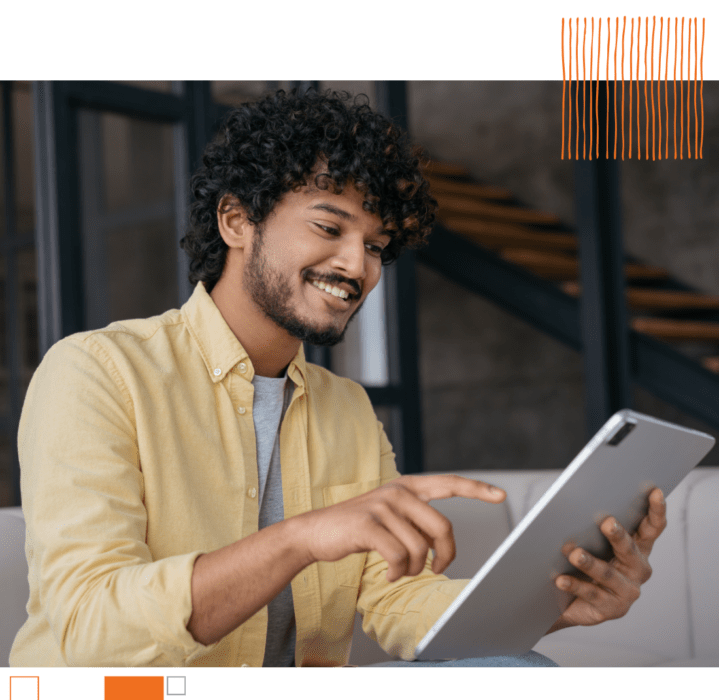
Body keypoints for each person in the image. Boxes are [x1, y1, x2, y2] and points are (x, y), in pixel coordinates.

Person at [10, 88, 666, 669]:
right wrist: (297, 539)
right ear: (236, 221)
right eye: (329, 226)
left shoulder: (343, 408)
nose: (356, 265)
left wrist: (555, 601)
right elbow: (90, 629)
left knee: (515, 666)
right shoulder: (98, 372)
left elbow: (395, 597)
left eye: (376, 246)